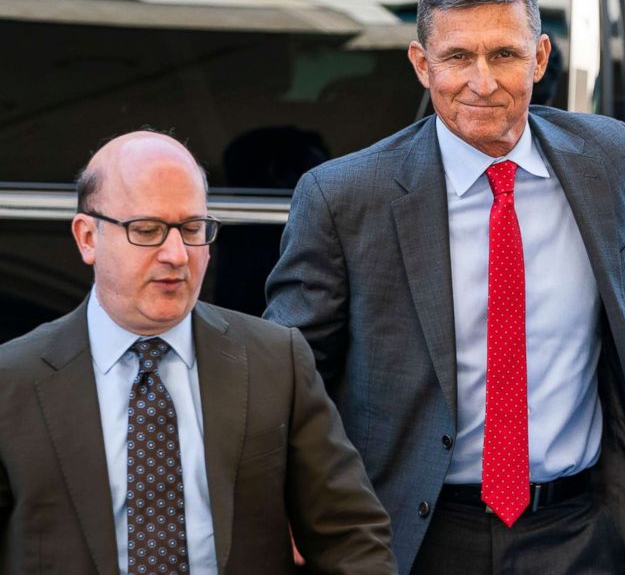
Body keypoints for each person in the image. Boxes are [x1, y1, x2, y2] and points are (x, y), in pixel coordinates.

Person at [264, 0, 625, 574]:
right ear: (423, 66)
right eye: (457, 58)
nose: (482, 81)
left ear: (539, 58)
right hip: (415, 535)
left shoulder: (608, 158)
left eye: (504, 54)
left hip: (580, 529)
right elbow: (292, 372)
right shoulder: (345, 196)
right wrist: (292, 500)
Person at [0, 131, 396, 574]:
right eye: (146, 230)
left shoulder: (274, 361)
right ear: (87, 237)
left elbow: (349, 535)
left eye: (192, 229)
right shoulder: (11, 382)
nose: (177, 254)